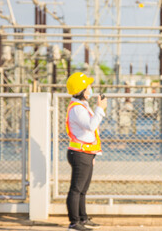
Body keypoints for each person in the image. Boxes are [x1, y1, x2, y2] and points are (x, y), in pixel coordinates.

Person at [65, 72, 107, 231]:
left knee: (82, 189)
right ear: (81, 90)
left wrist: (93, 154)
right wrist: (100, 108)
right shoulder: (77, 109)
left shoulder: (82, 105)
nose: (90, 89)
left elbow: (89, 132)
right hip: (79, 154)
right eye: (88, 86)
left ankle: (82, 219)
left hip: (86, 153)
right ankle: (74, 223)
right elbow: (91, 126)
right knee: (76, 189)